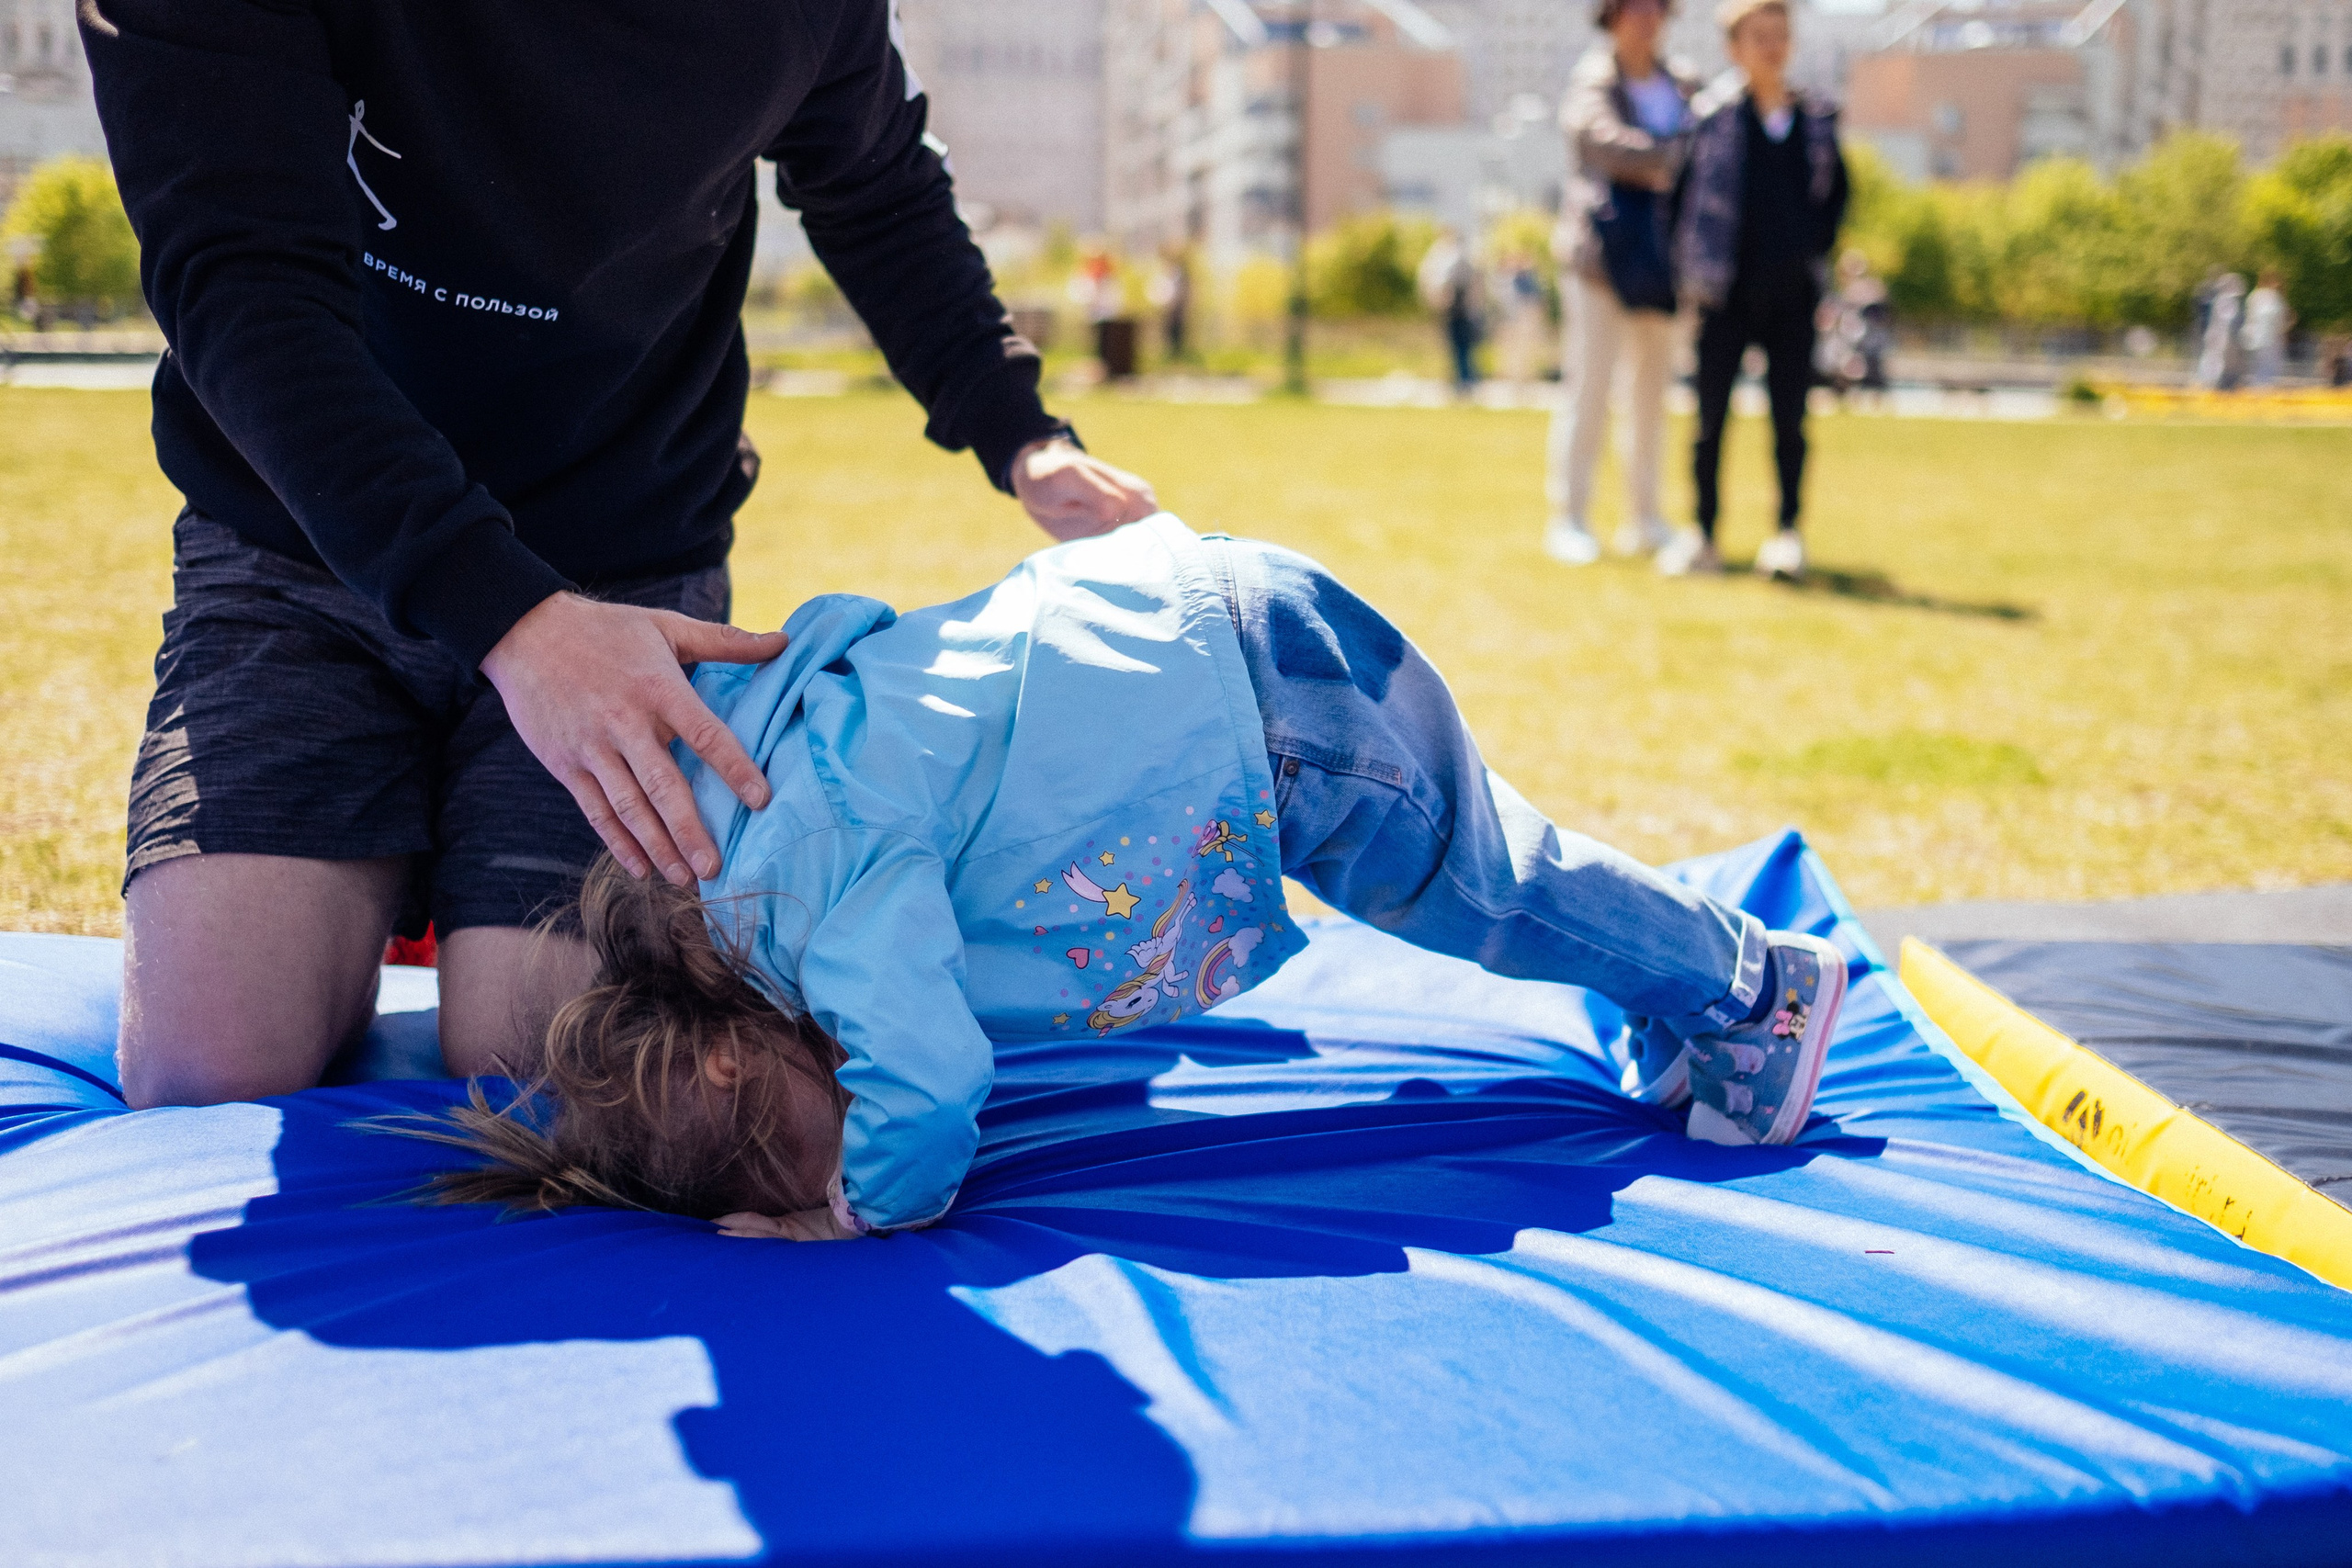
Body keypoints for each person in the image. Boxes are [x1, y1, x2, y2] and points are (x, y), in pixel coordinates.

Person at [84, 1, 1159, 1111]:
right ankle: (381, 859)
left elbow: (876, 184)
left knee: (549, 1076)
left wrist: (1019, 432)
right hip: (303, 553)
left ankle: (435, 857)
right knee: (207, 1074)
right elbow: (240, 284)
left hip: (622, 564)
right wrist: (506, 621)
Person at [390, 514, 1851, 1238]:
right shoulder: (716, 823)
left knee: (1487, 888)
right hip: (1205, 629)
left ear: (720, 1062)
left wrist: (851, 1208)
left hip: (1255, 715)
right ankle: (1693, 981)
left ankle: (1752, 990)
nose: (829, 1126)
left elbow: (929, 1078)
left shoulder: (802, 899)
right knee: (1488, 865)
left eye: (795, 1134)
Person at [1665, 0, 1847, 580]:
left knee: (1789, 420)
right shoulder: (1711, 119)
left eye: (1780, 35)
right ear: (1734, 48)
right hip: (1724, 294)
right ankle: (1704, 533)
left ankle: (1787, 533)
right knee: (1710, 419)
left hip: (1793, 297)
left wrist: (1810, 255)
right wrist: (1688, 279)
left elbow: (1836, 198)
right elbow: (1682, 205)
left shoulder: (1817, 120)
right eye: (1757, 36)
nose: (1771, 47)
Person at [1544, 0, 1701, 567]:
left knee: (1650, 395)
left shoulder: (1684, 83)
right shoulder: (1592, 80)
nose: (1647, 17)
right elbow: (1604, 145)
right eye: (1635, 7)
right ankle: (1570, 517)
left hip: (1663, 262)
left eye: (1657, 7)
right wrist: (1677, 156)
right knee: (1590, 389)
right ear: (1611, 15)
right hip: (1600, 263)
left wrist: (1671, 160)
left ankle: (1644, 518)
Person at [1418, 229, 1486, 396]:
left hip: (1459, 309)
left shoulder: (1456, 257)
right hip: (1453, 310)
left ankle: (1465, 381)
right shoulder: (1443, 255)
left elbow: (1462, 282)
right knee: (1457, 347)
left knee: (1462, 347)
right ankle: (1463, 380)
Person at [2242, 271, 2292, 389]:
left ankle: (2259, 388)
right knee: (2268, 368)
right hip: (2269, 339)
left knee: (2258, 368)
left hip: (2255, 337)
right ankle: (2263, 389)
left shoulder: (2255, 296)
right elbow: (2279, 320)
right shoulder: (2273, 298)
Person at [2199, 273, 2247, 391]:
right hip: (2221, 336)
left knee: (2215, 359)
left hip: (2219, 335)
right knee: (2216, 360)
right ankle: (2213, 383)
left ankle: (2213, 383)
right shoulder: (2227, 299)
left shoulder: (2222, 299)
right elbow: (2228, 320)